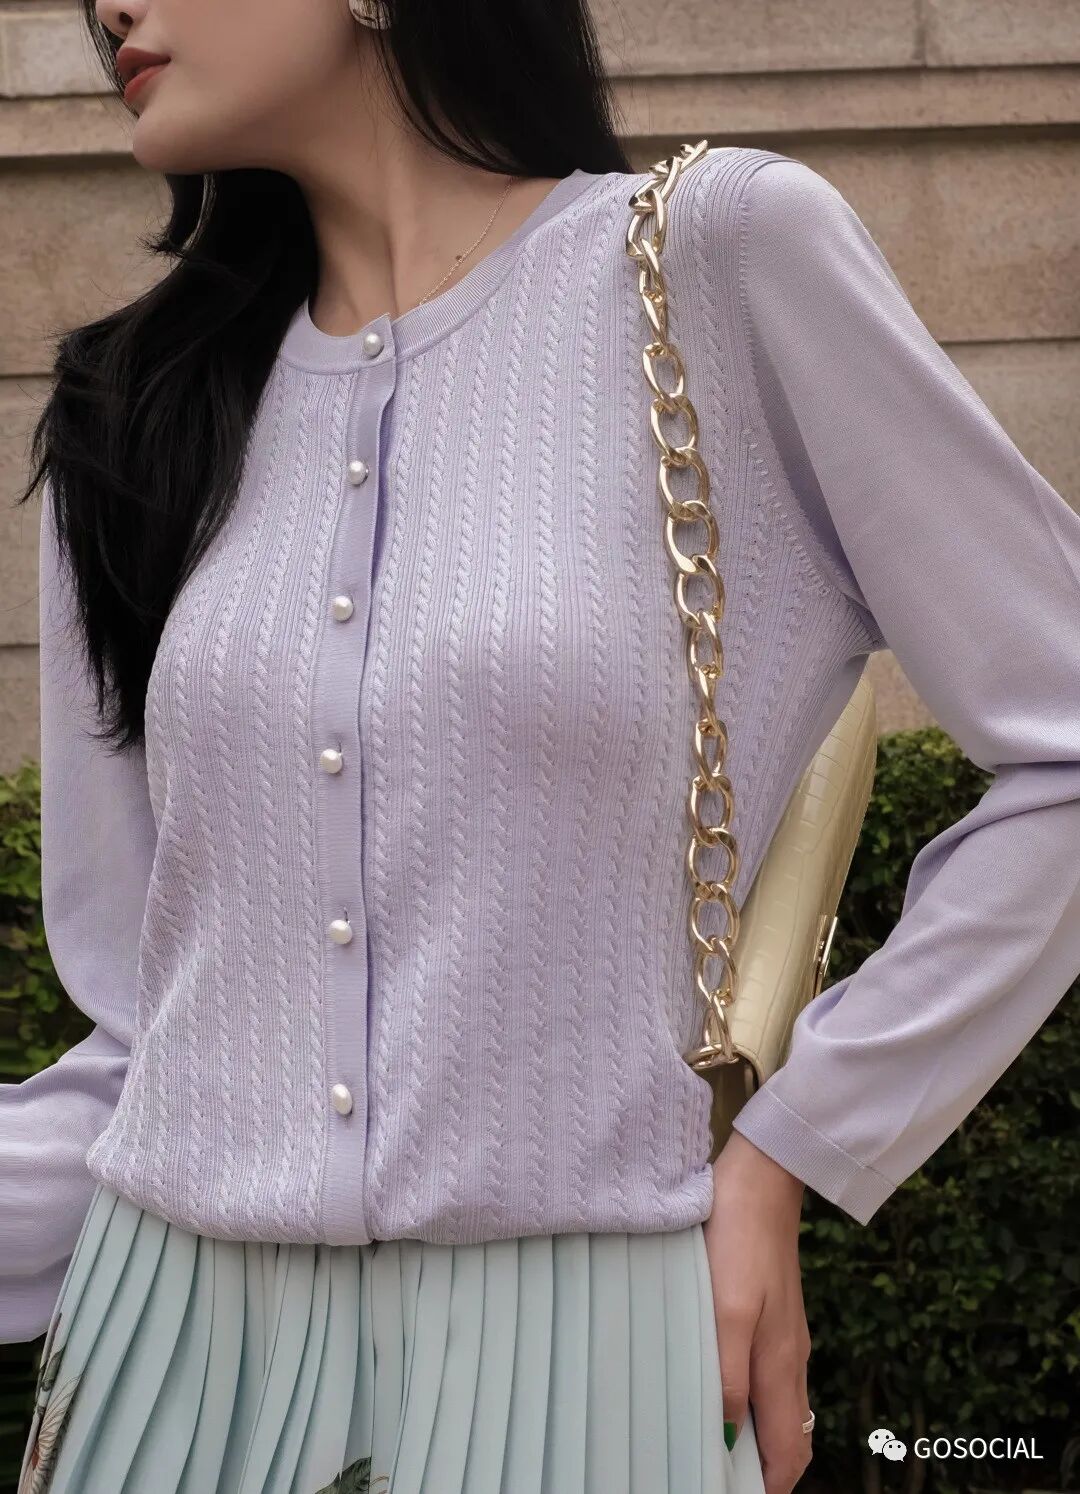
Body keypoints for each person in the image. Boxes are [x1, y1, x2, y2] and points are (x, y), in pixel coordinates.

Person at [4, 0, 1080, 1488]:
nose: (111, 5)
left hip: (588, 1353)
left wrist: (791, 1149)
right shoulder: (132, 414)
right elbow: (146, 1031)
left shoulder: (715, 260)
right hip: (167, 1355)